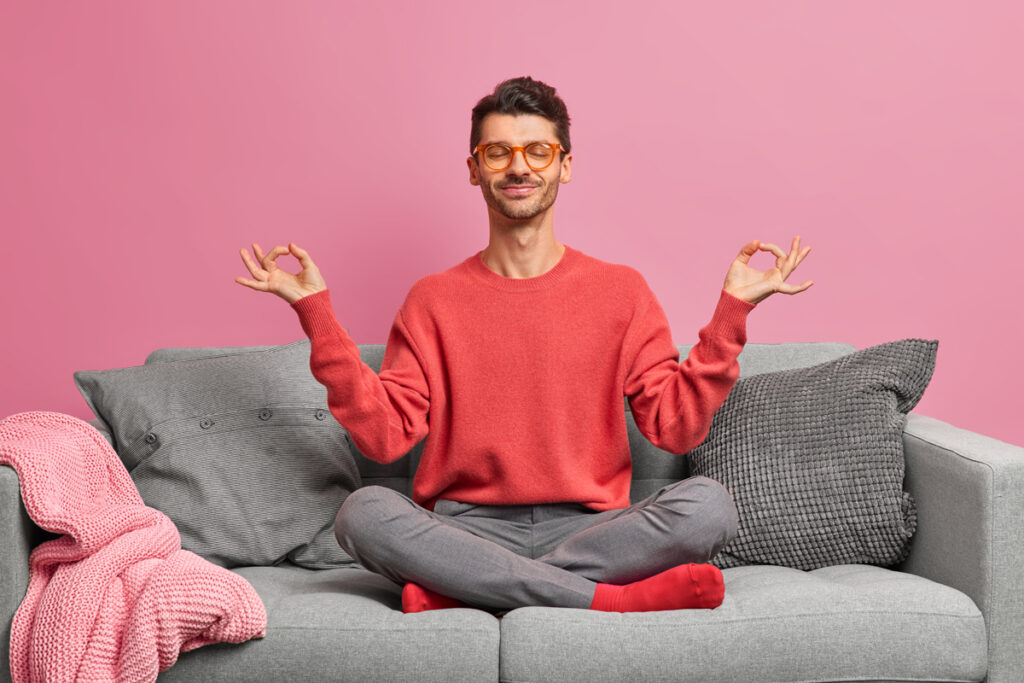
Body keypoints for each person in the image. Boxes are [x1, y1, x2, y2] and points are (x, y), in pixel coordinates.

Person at [235, 76, 813, 614]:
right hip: (463, 527)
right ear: (473, 168)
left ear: (565, 166)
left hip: (592, 529)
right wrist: (317, 315)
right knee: (362, 513)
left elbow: (674, 428)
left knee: (707, 505)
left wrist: (731, 314)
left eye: (538, 151)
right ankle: (602, 598)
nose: (519, 167)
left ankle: (465, 589)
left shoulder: (622, 292)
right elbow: (386, 439)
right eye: (498, 151)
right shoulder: (432, 300)